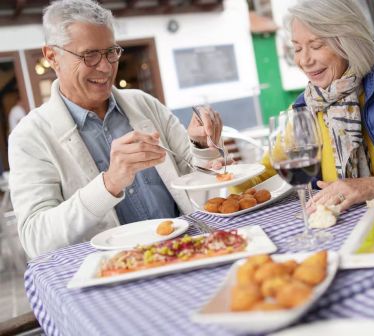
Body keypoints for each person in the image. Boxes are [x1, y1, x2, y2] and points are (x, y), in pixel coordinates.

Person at [8, 0, 224, 258]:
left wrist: (201, 146)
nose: (106, 67)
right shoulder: (30, 136)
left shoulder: (144, 104)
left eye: (111, 52)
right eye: (90, 55)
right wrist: (109, 184)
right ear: (52, 56)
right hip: (112, 273)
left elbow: (201, 182)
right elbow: (36, 238)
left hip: (188, 250)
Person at [237, 0, 374, 213]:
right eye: (297, 48)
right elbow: (253, 183)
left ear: (349, 42)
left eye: (317, 45)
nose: (304, 60)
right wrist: (210, 157)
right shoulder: (303, 109)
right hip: (341, 237)